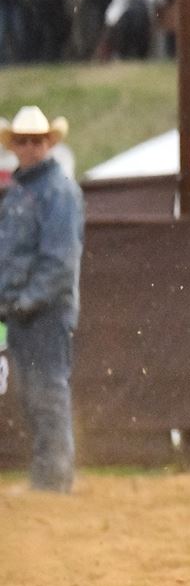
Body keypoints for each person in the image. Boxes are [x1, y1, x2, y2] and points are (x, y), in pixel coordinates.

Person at [0, 107, 85, 493]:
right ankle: (47, 473)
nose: (30, 147)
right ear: (14, 146)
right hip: (21, 308)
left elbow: (60, 260)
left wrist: (25, 299)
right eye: (23, 141)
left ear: (48, 144)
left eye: (36, 141)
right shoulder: (17, 192)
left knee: (47, 390)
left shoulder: (59, 192)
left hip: (45, 310)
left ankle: (53, 477)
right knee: (33, 393)